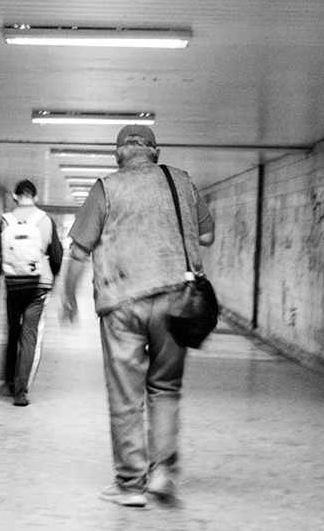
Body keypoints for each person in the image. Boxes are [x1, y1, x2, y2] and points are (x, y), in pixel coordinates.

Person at [58, 124, 214, 508]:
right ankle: (162, 472)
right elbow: (207, 236)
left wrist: (68, 297)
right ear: (155, 152)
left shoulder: (106, 188)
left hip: (122, 301)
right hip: (176, 298)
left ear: (118, 156)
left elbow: (78, 251)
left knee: (126, 395)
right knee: (165, 387)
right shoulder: (182, 182)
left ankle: (130, 484)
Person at [0, 179, 65, 406]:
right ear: (36, 197)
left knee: (13, 332)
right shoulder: (46, 220)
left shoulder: (6, 220)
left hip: (14, 284)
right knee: (30, 336)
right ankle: (21, 392)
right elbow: (57, 255)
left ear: (15, 196)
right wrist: (53, 276)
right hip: (39, 285)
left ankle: (8, 382)